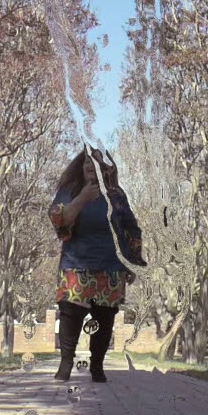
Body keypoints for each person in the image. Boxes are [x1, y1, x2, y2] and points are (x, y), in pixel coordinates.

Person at [48, 146, 146, 382]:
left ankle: (97, 366)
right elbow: (59, 219)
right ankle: (66, 362)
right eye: (86, 162)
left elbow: (131, 228)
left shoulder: (116, 195)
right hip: (75, 264)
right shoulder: (70, 190)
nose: (90, 166)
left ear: (106, 168)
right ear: (81, 167)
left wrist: (133, 261)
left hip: (110, 265)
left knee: (105, 317)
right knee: (70, 313)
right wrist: (82, 199)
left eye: (96, 163)